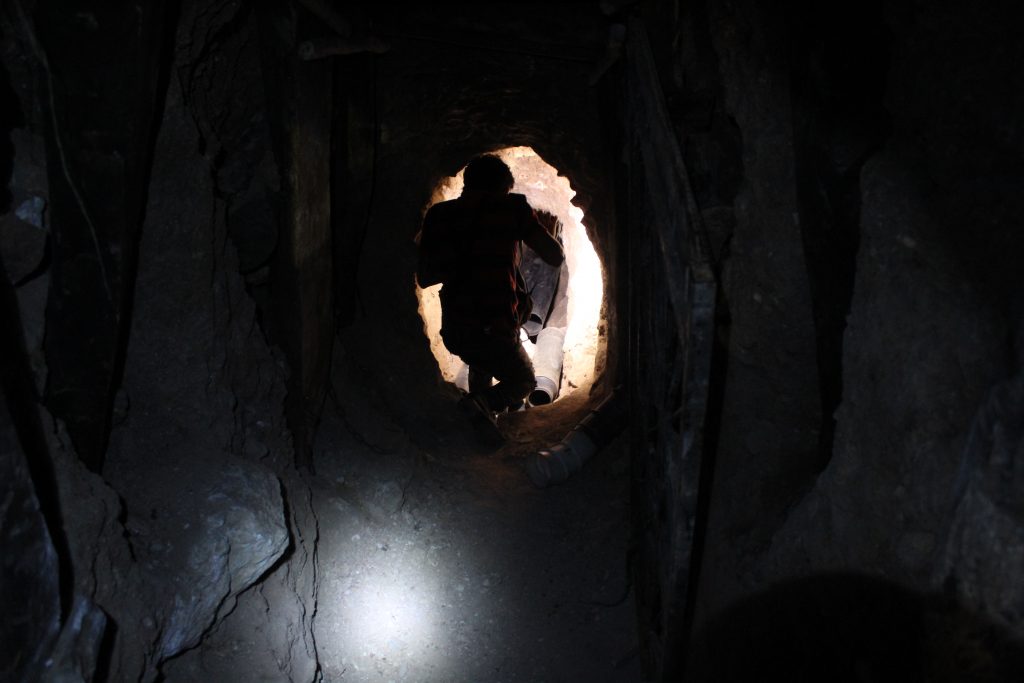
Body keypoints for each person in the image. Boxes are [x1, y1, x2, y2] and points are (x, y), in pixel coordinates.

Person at [417, 155, 564, 442]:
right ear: (502, 188)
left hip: (457, 327)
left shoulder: (439, 215)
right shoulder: (512, 209)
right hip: (496, 326)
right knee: (523, 380)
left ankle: (482, 425)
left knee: (480, 360)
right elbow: (555, 256)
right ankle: (479, 405)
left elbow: (425, 277)